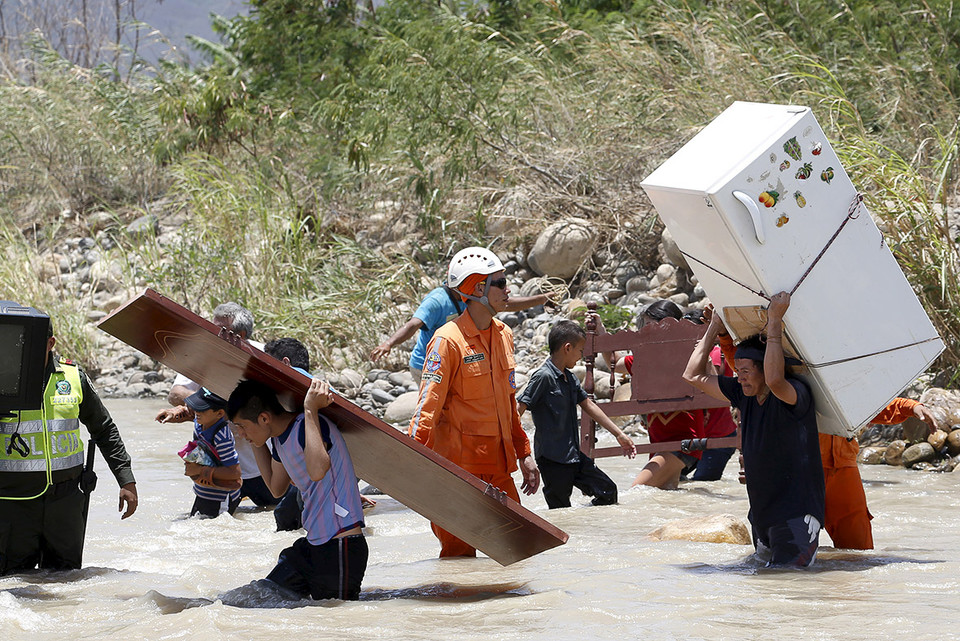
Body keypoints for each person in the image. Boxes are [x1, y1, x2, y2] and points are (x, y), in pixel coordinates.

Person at [409, 246, 540, 557]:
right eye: (501, 283)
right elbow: (427, 406)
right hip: (458, 472)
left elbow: (509, 406)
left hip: (499, 468)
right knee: (459, 560)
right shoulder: (447, 341)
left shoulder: (504, 334)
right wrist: (410, 461)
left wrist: (525, 454)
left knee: (516, 551)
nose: (508, 290)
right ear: (478, 288)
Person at [683, 294, 825, 567]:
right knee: (763, 588)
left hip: (796, 515)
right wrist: (714, 326)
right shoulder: (743, 394)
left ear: (765, 370)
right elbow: (692, 376)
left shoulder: (794, 394)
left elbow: (775, 379)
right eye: (739, 372)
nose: (741, 377)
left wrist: (774, 322)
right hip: (762, 515)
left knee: (788, 583)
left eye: (747, 371)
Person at [0, 319, 137, 574]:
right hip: (12, 504)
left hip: (65, 504)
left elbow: (104, 429)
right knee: (14, 586)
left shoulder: (73, 377)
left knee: (66, 585)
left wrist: (126, 480)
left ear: (50, 344)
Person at [227, 378, 367, 601]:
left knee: (337, 621)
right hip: (312, 545)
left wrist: (310, 409)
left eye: (242, 427)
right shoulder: (280, 440)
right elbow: (275, 487)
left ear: (264, 418)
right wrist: (257, 442)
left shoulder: (306, 425)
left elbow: (318, 470)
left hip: (341, 544)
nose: (240, 434)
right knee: (258, 597)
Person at [164, 302, 277, 509]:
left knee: (280, 518)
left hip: (262, 464)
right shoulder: (205, 354)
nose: (214, 335)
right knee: (205, 522)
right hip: (219, 463)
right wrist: (216, 406)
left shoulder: (265, 357)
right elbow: (176, 394)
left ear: (241, 335)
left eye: (220, 331)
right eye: (212, 328)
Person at [517, 320, 636, 509]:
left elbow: (588, 405)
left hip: (574, 456)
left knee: (608, 492)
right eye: (580, 351)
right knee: (560, 510)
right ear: (567, 348)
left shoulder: (569, 377)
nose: (581, 356)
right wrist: (524, 455)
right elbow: (517, 413)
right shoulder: (543, 377)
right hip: (552, 459)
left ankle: (588, 527)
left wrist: (619, 434)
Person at [597, 300, 705, 490]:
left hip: (683, 441)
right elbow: (615, 361)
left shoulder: (686, 355)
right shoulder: (644, 358)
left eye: (652, 326)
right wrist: (601, 330)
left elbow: (707, 373)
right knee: (665, 495)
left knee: (638, 491)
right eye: (646, 327)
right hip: (661, 443)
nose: (647, 332)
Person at [371, 278, 553, 379]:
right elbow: (413, 324)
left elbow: (506, 304)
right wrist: (389, 343)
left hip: (455, 361)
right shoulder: (436, 301)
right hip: (427, 365)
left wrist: (543, 298)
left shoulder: (472, 296)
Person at [158, 387, 242, 517]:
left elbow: (234, 473)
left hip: (220, 497)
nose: (196, 411)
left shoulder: (222, 436)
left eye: (202, 408)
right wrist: (173, 413)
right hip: (203, 492)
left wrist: (199, 471)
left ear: (220, 414)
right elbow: (188, 412)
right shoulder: (200, 421)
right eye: (196, 406)